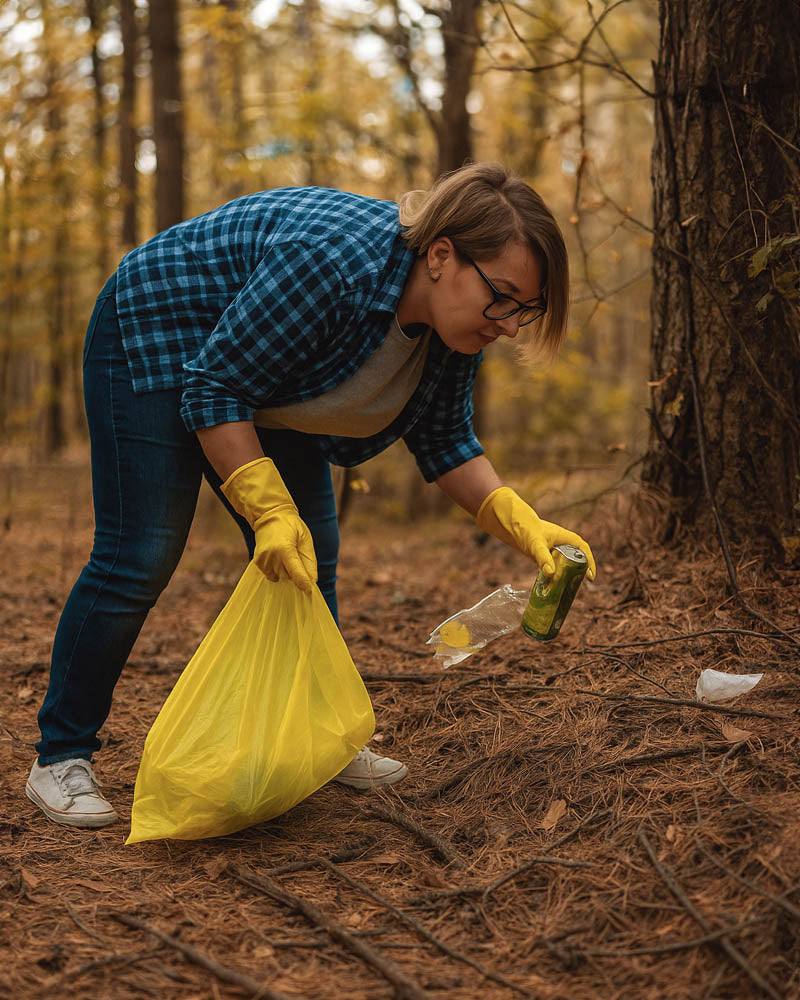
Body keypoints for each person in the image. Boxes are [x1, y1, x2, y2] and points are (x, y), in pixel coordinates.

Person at [25, 162, 596, 829]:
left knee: (310, 551)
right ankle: (60, 756)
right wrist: (266, 510)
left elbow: (447, 447)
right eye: (503, 297)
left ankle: (313, 739)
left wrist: (529, 528)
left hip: (262, 377)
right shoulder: (336, 266)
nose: (509, 325)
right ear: (441, 255)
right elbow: (215, 387)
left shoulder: (454, 331)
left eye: (524, 310)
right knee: (141, 552)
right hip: (154, 330)